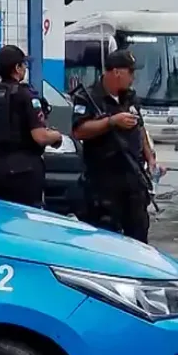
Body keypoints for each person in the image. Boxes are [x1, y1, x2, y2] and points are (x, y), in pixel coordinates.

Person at [71, 49, 158, 243]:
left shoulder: (130, 97)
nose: (133, 78)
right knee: (106, 241)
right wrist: (111, 122)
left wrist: (150, 157)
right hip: (104, 183)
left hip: (133, 182)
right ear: (117, 72)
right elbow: (79, 131)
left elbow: (140, 129)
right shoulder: (89, 97)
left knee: (138, 239)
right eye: (131, 72)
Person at [0, 45, 63, 207]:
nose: (25, 68)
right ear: (17, 68)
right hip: (24, 173)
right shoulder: (26, 95)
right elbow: (40, 136)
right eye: (24, 64)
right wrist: (57, 136)